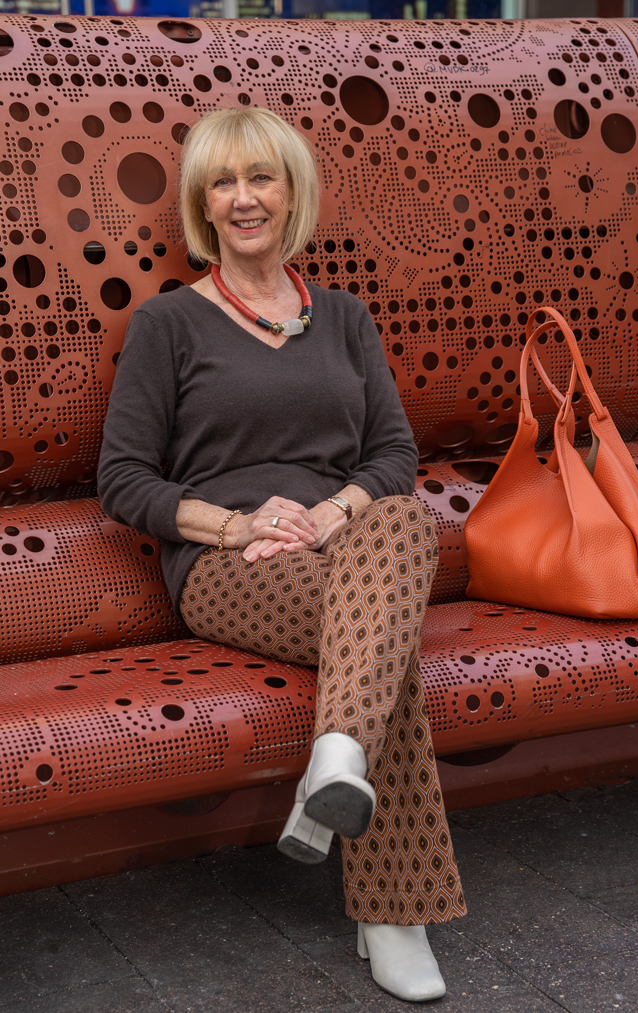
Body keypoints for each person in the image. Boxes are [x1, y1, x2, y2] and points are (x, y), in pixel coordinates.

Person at [98, 106, 466, 1002]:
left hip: (344, 551)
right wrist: (237, 525)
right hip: (232, 567)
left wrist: (335, 510)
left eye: (260, 176)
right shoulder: (168, 325)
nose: (241, 198)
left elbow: (392, 456)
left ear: (292, 191)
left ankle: (337, 757)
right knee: (384, 645)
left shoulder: (342, 316)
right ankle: (392, 909)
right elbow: (121, 479)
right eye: (221, 182)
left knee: (402, 521)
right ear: (203, 205)